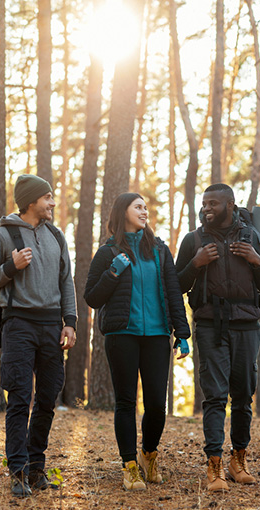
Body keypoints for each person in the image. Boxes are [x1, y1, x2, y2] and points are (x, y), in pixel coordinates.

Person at [0, 174, 77, 497]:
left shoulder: (56, 236)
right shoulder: (4, 235)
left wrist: (70, 322)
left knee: (47, 399)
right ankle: (17, 471)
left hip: (51, 326)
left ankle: (36, 469)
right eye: (47, 197)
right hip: (18, 325)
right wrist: (11, 266)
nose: (52, 203)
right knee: (20, 399)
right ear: (32, 201)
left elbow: (67, 282)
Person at [84, 192, 191, 490]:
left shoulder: (158, 250)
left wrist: (182, 333)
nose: (145, 211)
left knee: (157, 404)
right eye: (138, 207)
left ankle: (149, 455)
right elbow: (92, 297)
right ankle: (129, 466)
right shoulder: (107, 252)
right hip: (122, 335)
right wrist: (113, 272)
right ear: (123, 212)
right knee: (126, 402)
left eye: (146, 207)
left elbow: (172, 292)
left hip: (158, 335)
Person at [176, 183, 260, 492]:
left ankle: (239, 460)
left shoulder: (252, 237)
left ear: (231, 205)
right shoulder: (193, 240)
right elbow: (176, 283)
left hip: (247, 326)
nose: (206, 208)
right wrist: (197, 263)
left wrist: (255, 259)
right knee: (215, 396)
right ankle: (214, 465)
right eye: (204, 203)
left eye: (213, 203)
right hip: (209, 327)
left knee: (244, 396)